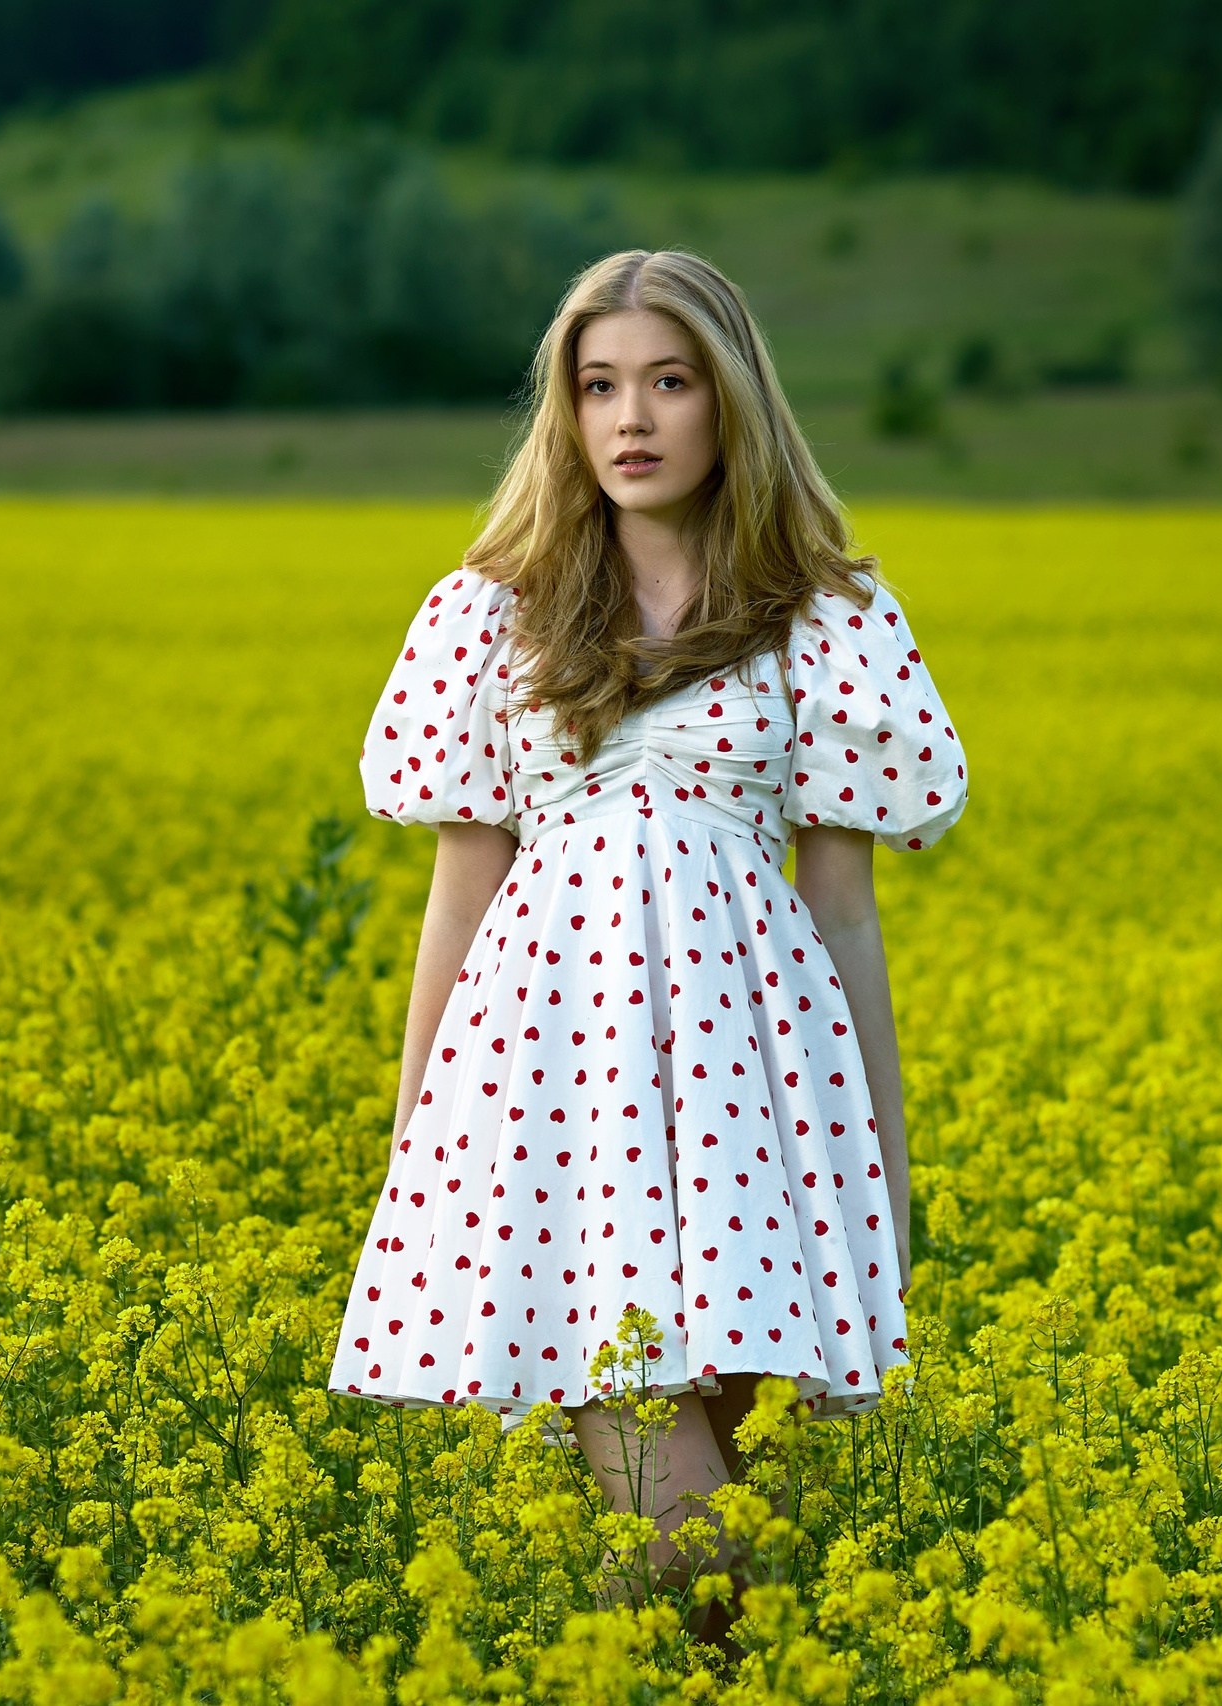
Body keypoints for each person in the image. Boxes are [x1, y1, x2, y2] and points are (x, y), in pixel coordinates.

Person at [324, 248, 970, 1639]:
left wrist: (883, 1167)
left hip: (755, 1100)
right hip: (553, 1094)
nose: (631, 418)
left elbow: (846, 911)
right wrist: (414, 1149)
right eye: (599, 386)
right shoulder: (491, 614)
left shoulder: (827, 619)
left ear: (729, 400)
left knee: (723, 1528)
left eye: (668, 383)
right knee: (693, 1528)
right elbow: (462, 891)